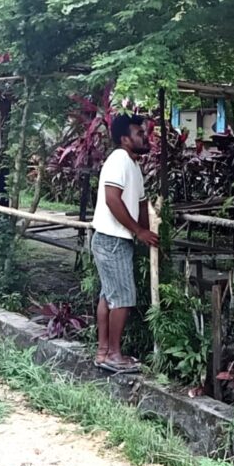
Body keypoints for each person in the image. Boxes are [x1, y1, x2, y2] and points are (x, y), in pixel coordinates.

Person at [91, 114, 158, 373]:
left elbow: (141, 204)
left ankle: (103, 352)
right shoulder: (118, 159)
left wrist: (149, 232)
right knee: (123, 297)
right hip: (112, 239)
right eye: (139, 133)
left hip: (116, 239)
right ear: (124, 139)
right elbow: (112, 199)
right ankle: (114, 354)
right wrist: (139, 231)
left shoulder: (133, 165)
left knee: (109, 296)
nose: (144, 136)